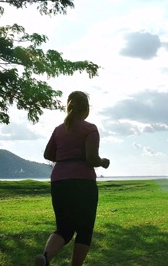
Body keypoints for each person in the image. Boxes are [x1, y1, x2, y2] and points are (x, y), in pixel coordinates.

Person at [35, 91, 110, 266]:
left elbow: (48, 154)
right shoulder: (90, 128)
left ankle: (45, 257)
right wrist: (103, 162)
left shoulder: (59, 129)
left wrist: (65, 158)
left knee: (64, 228)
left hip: (59, 181)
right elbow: (91, 158)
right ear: (86, 109)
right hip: (83, 182)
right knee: (84, 230)